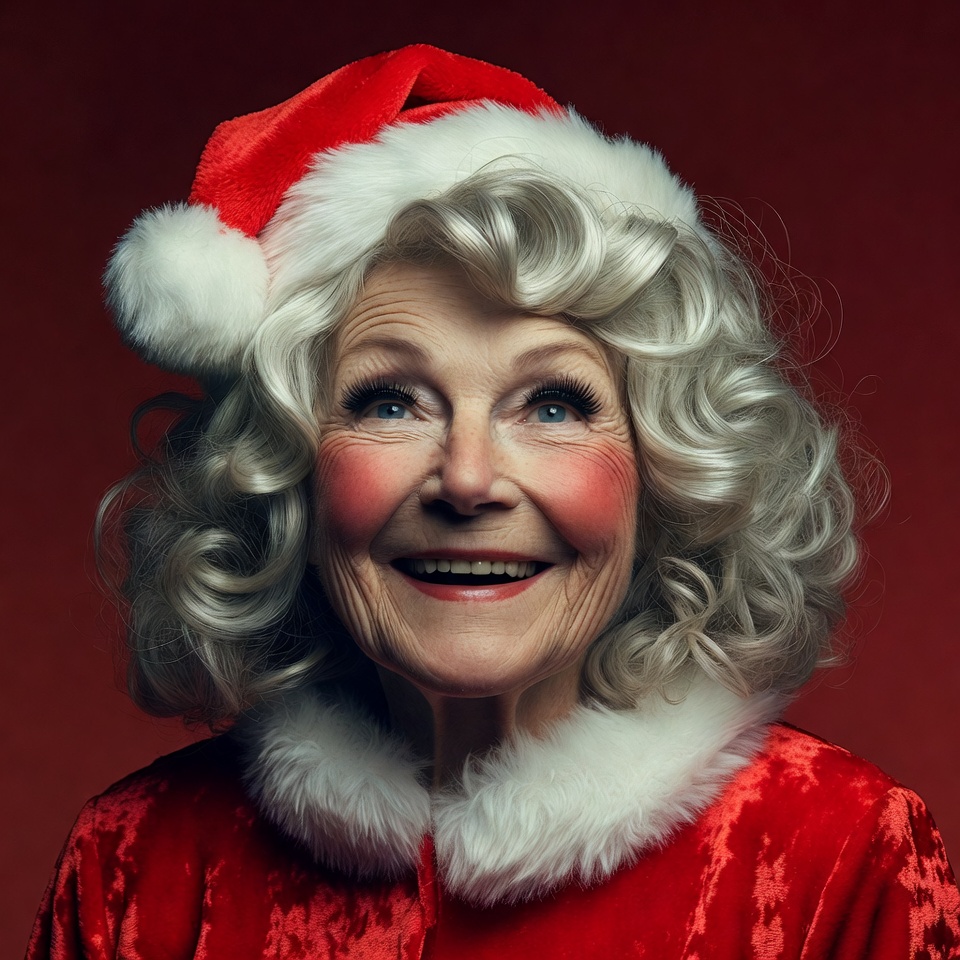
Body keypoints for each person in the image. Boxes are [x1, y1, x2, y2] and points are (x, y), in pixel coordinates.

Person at [27, 44, 959, 958]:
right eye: (387, 402)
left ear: (665, 471)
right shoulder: (133, 866)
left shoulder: (836, 859)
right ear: (285, 471)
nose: (468, 480)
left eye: (553, 404)